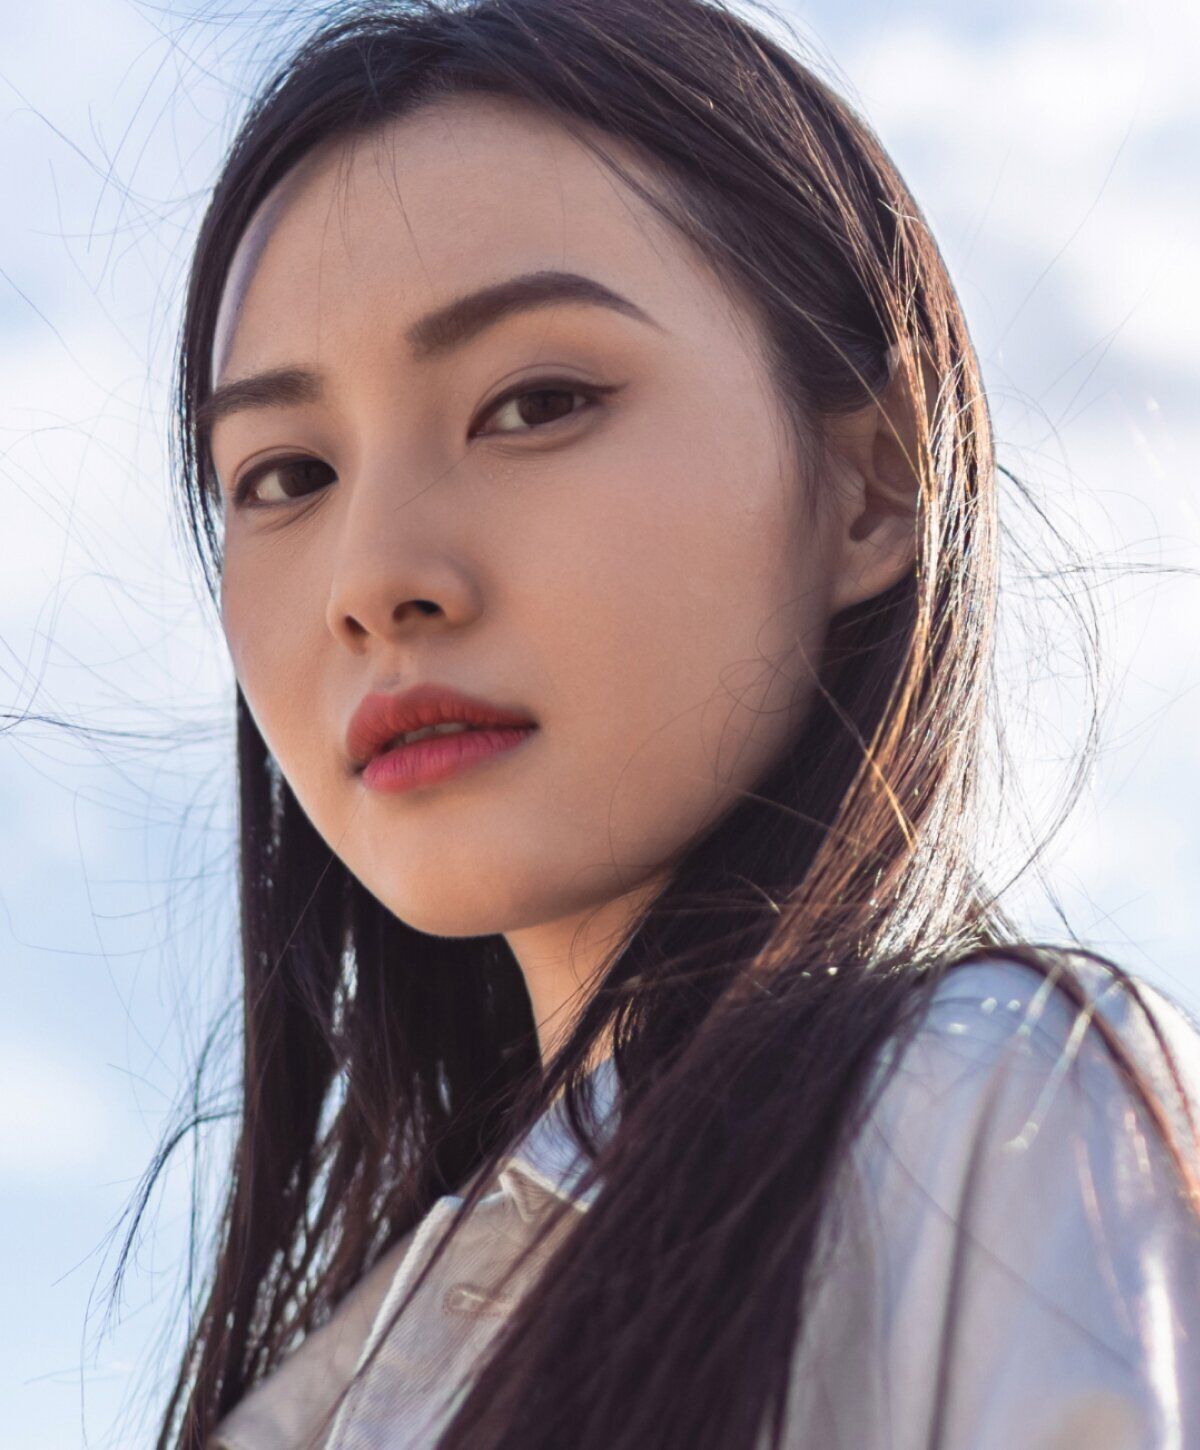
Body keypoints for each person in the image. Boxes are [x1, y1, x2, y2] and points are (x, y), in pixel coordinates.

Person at [136, 0, 1200, 1445]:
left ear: (874, 485)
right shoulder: (340, 1376)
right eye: (285, 473)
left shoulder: (978, 1106)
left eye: (535, 401)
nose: (374, 580)